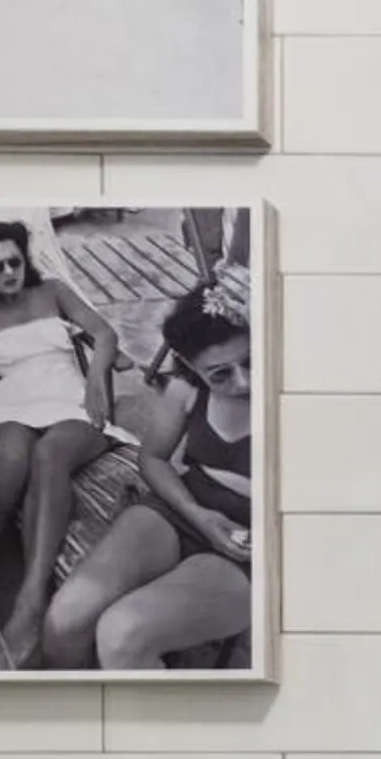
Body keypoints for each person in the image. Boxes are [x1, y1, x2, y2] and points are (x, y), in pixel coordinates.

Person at [0, 218, 120, 664]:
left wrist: (94, 381)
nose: (8, 272)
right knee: (9, 466)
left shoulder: (52, 291)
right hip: (13, 400)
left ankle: (30, 601)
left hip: (69, 397)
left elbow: (105, 333)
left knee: (49, 455)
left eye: (14, 261)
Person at [43, 283, 255, 672]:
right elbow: (154, 458)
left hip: (253, 540)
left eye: (251, 361)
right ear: (192, 367)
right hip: (186, 508)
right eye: (221, 374)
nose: (243, 382)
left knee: (122, 635)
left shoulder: (293, 394)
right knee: (66, 619)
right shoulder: (187, 388)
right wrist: (198, 515)